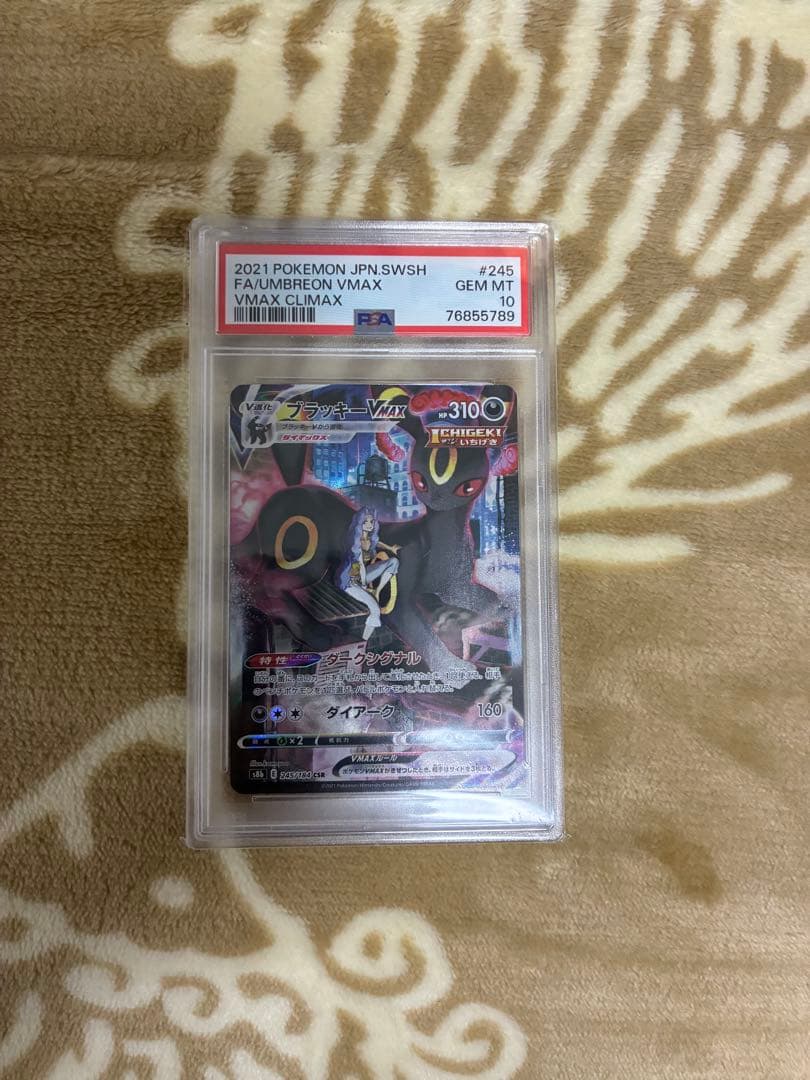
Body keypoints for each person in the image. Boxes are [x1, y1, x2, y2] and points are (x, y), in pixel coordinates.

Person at [339, 508, 399, 640]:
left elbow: (377, 543)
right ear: (359, 523)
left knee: (393, 562)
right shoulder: (355, 542)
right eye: (365, 521)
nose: (369, 524)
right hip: (350, 581)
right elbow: (357, 565)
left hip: (363, 574)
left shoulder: (370, 539)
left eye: (371, 521)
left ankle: (378, 590)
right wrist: (364, 587)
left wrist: (390, 548)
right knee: (375, 610)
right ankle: (364, 641)